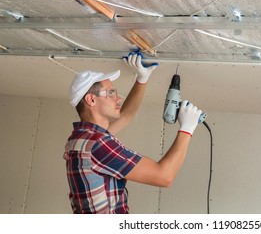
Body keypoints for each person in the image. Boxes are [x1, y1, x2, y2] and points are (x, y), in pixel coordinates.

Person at [64, 52, 202, 214]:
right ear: (91, 100)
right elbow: (164, 176)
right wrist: (187, 129)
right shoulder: (97, 144)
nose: (118, 99)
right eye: (110, 93)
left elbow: (125, 116)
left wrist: (142, 79)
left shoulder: (81, 138)